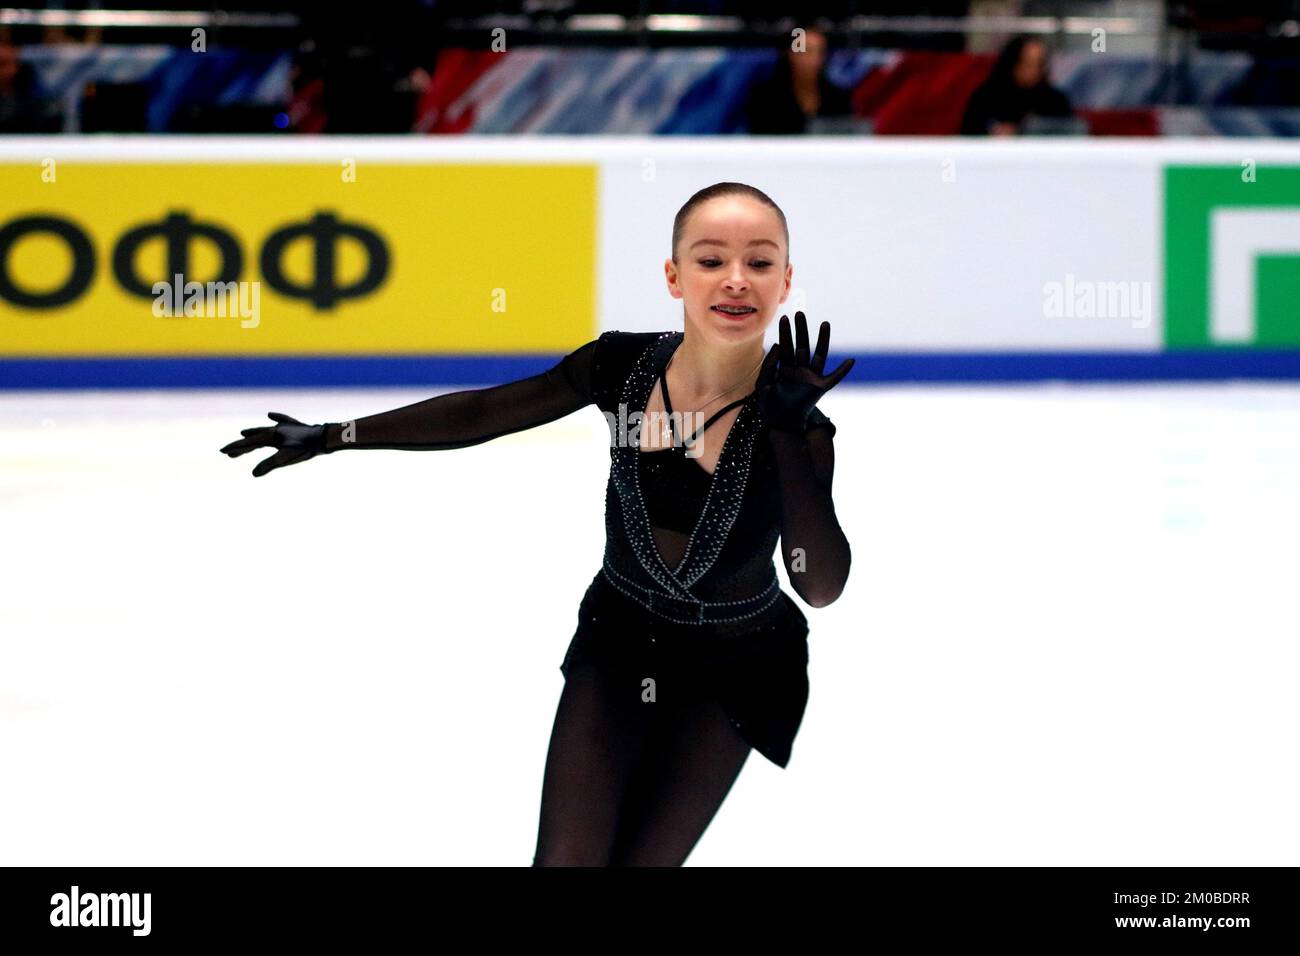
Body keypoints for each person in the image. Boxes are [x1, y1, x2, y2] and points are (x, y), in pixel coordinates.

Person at [219, 182, 854, 866]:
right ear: (673, 275)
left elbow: (816, 584)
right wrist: (336, 434)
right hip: (621, 638)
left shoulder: (799, 426)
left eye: (759, 262)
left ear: (786, 280)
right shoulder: (621, 369)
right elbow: (486, 412)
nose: (735, 279)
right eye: (710, 260)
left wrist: (786, 432)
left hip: (738, 661)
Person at [746, 26, 854, 135]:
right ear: (790, 53)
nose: (814, 58)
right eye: (807, 51)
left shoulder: (838, 97)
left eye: (819, 52)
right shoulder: (765, 97)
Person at [959, 35, 1072, 136]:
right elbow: (969, 135)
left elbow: (1071, 132)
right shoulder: (987, 97)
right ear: (1013, 63)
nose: (1033, 70)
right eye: (1027, 63)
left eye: (1039, 64)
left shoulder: (1054, 100)